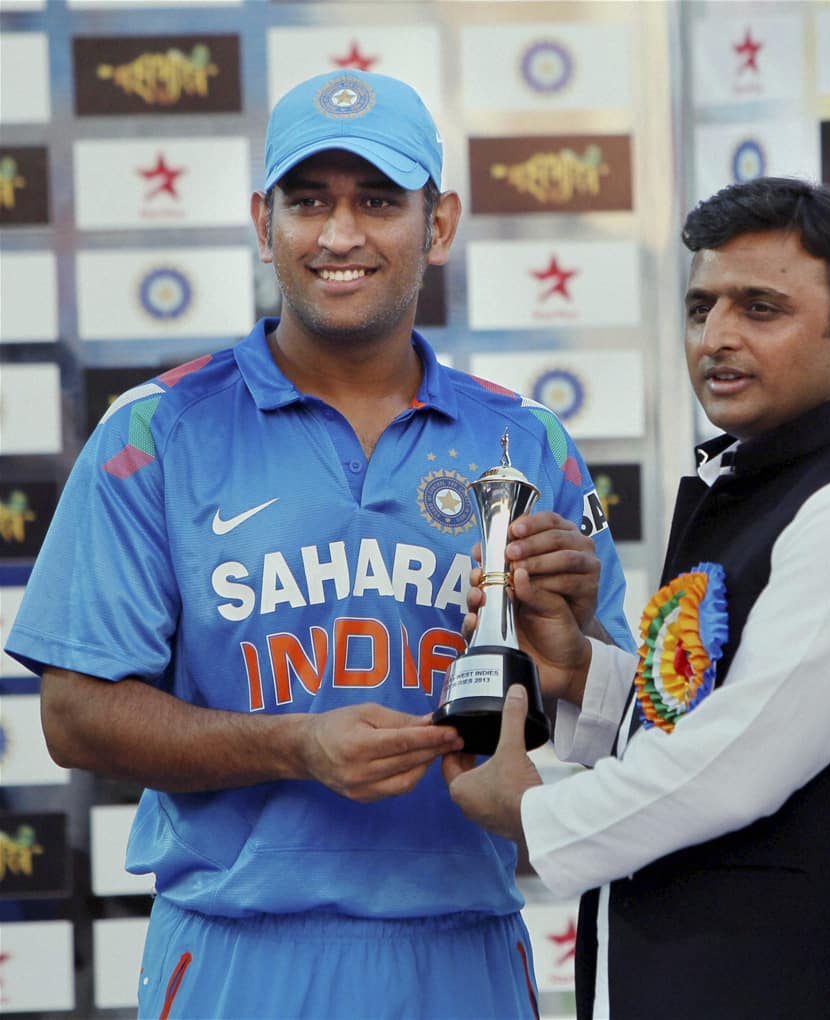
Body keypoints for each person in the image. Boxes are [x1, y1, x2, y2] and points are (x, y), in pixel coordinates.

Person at [4, 70, 632, 1020]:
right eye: (309, 202)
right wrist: (292, 745)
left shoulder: (527, 443)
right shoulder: (157, 432)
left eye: (378, 200)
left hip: (462, 948)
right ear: (265, 223)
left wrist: (572, 657)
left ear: (441, 221)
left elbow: (624, 717)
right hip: (236, 953)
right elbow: (73, 717)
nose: (340, 236)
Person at [444, 176, 830, 1020]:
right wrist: (579, 671)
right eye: (702, 308)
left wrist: (534, 812)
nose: (716, 337)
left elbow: (734, 765)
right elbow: (708, 712)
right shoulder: (760, 480)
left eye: (760, 308)